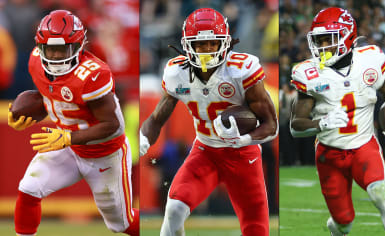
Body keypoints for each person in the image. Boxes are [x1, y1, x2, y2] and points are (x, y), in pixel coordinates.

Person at [139, 8, 278, 236]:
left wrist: (243, 139)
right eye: (199, 45)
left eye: (212, 44)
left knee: (256, 229)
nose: (206, 50)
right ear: (187, 45)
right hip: (206, 151)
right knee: (173, 209)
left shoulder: (241, 70)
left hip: (243, 155)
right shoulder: (177, 72)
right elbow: (155, 119)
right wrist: (144, 137)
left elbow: (271, 124)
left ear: (225, 43)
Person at [7, 10, 139, 236]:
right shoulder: (36, 61)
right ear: (40, 47)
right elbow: (50, 96)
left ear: (79, 46)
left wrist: (68, 137)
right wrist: (25, 115)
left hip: (105, 153)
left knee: (121, 224)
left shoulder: (93, 75)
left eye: (63, 49)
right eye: (51, 49)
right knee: (29, 188)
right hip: (68, 145)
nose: (56, 56)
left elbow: (113, 125)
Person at [290, 7, 385, 236]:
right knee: (343, 223)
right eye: (319, 40)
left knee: (379, 192)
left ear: (347, 36)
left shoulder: (370, 61)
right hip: (329, 154)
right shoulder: (308, 74)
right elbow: (295, 126)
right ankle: (336, 228)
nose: (323, 46)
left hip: (364, 146)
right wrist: (322, 123)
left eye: (329, 39)